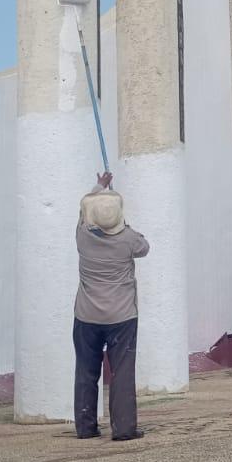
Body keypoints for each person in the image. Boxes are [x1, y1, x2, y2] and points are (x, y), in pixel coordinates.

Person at [73, 172, 150, 441]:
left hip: (87, 315)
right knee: (122, 373)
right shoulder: (128, 240)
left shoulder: (82, 235)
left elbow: (83, 209)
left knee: (86, 370)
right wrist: (122, 220)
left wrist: (100, 186)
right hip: (122, 316)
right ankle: (124, 428)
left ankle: (85, 426)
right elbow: (145, 246)